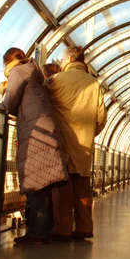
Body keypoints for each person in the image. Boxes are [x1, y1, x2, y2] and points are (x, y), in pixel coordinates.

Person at [0, 47, 68, 245]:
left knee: (36, 184)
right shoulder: (34, 73)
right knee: (42, 183)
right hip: (45, 129)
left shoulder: (17, 72)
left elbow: (8, 104)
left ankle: (38, 234)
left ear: (7, 63)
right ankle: (43, 231)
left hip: (35, 133)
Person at [45, 46, 107, 241]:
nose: (61, 62)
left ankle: (63, 228)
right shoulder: (94, 84)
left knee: (62, 188)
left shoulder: (55, 81)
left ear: (71, 58)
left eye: (63, 58)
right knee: (82, 187)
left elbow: (41, 103)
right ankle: (84, 227)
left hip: (62, 142)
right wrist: (89, 133)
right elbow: (101, 118)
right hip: (84, 145)